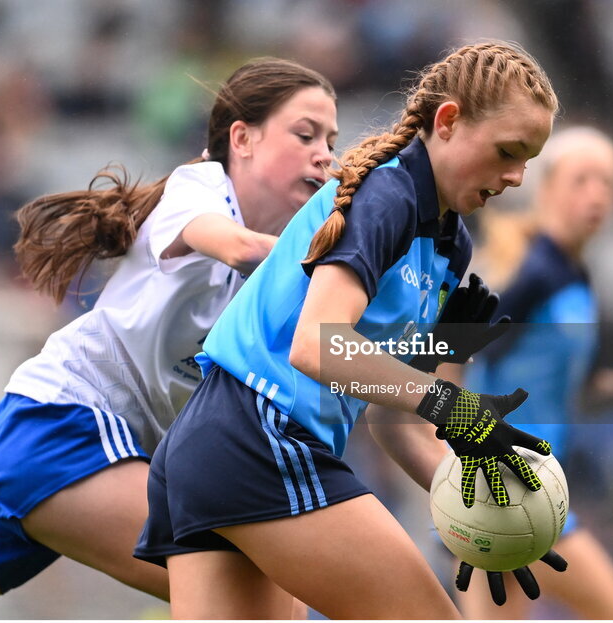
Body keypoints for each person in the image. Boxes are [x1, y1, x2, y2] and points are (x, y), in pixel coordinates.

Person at [0, 58, 338, 619]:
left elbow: (345, 359)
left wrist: (434, 335)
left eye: (331, 139)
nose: (325, 153)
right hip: (68, 433)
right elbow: (238, 248)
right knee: (259, 596)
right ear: (242, 138)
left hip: (32, 447)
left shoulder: (286, 268)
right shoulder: (202, 188)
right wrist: (354, 249)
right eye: (305, 134)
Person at [134, 41, 563, 620]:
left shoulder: (449, 242)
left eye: (527, 161)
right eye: (507, 151)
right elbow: (317, 345)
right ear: (448, 121)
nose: (515, 177)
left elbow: (392, 422)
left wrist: (484, 517)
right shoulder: (389, 195)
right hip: (259, 437)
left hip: (215, 451)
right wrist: (454, 407)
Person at [456, 126, 613, 619]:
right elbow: (456, 353)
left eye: (607, 182)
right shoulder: (534, 273)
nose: (597, 193)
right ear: (548, 186)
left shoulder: (575, 274)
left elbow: (574, 390)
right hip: (511, 490)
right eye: (583, 179)